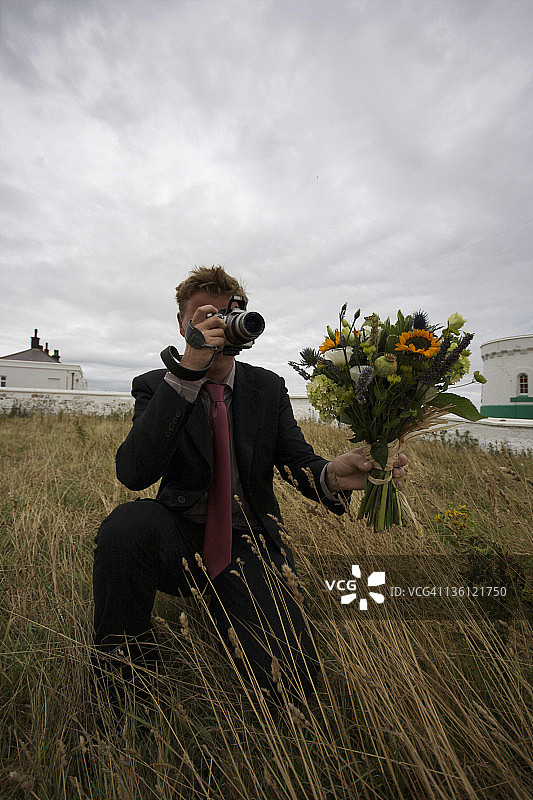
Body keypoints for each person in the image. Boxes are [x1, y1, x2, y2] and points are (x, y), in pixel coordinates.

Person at [92, 266, 406, 714]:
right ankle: (122, 693)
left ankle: (240, 617)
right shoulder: (156, 385)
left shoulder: (266, 387)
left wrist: (333, 476)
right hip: (179, 533)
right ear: (183, 325)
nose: (219, 325)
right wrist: (187, 373)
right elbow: (134, 472)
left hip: (249, 543)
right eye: (205, 316)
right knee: (125, 528)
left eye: (228, 314)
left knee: (292, 687)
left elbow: (296, 461)